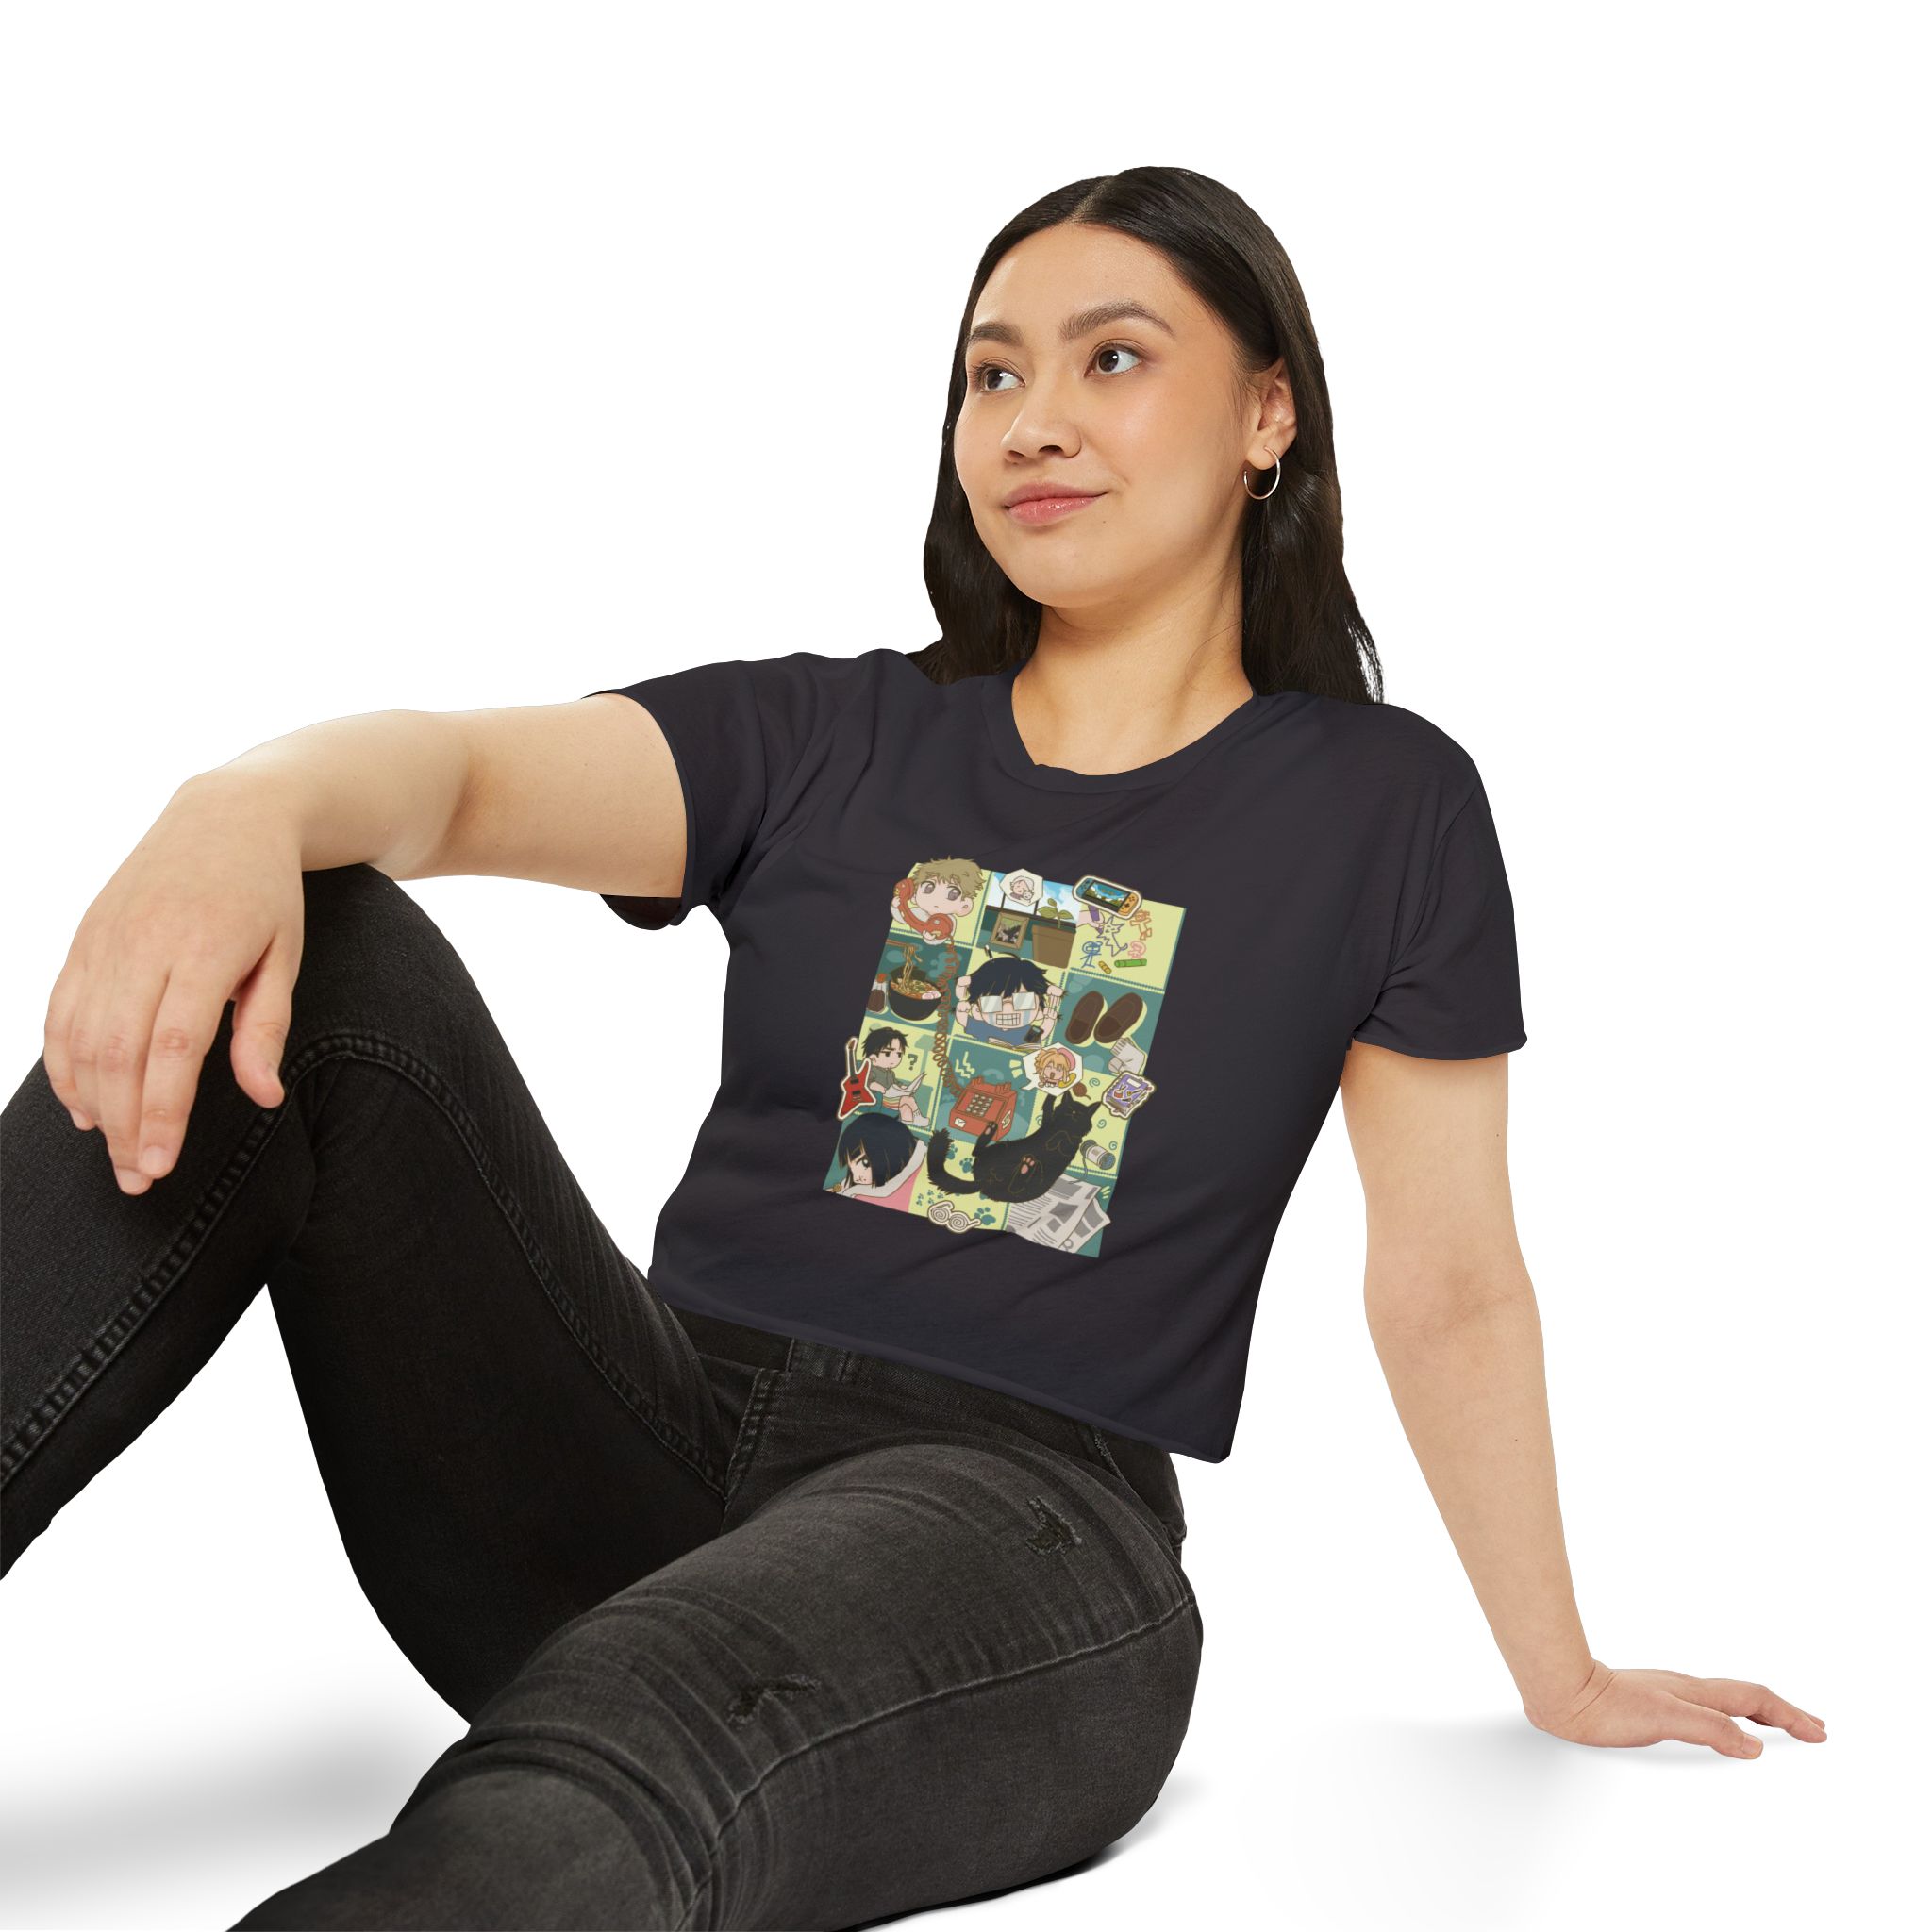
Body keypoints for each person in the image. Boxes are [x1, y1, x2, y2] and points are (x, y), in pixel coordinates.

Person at [0, 165, 1825, 1930]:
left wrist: (1559, 1669)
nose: (1035, 421)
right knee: (314, 947)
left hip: (1017, 1527)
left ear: (1268, 414)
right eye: (992, 374)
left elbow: (1449, 1283)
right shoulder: (833, 736)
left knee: (630, 1732)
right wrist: (233, 807)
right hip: (641, 1451)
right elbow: (458, 778)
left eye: (1113, 358)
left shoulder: (1383, 805)